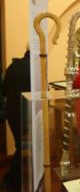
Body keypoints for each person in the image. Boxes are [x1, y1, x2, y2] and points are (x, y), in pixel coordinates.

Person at [1, 46, 30, 190]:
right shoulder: (35, 67)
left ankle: (15, 178)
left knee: (21, 145)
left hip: (11, 111)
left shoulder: (13, 65)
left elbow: (4, 90)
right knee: (25, 146)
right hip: (25, 112)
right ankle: (11, 179)